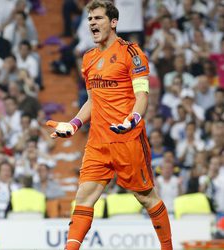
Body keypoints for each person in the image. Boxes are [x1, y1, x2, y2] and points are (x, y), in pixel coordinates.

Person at [46, 1, 173, 250]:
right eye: (90, 19)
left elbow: (142, 96)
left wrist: (133, 119)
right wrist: (73, 124)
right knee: (83, 197)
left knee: (145, 197)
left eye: (98, 18)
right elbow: (93, 100)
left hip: (128, 139)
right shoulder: (89, 58)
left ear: (113, 22)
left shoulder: (132, 53)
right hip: (98, 142)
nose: (92, 23)